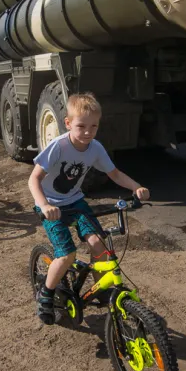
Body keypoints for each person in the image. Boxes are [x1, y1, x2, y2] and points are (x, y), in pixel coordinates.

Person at [28, 92, 149, 325]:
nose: (88, 132)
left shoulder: (95, 148)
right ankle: (46, 293)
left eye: (93, 126)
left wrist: (136, 187)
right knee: (66, 254)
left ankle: (99, 286)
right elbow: (34, 179)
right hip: (51, 205)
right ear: (68, 123)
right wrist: (44, 205)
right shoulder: (58, 147)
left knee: (98, 244)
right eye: (81, 126)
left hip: (75, 202)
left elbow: (114, 173)